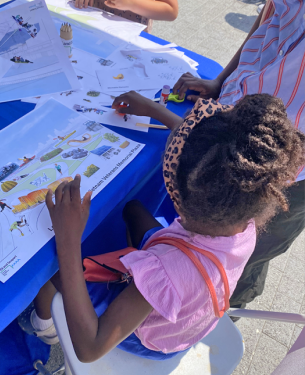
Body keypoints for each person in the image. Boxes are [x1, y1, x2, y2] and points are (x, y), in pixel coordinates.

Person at [19, 94, 305, 360]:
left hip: (152, 340)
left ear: (179, 199)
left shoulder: (168, 274)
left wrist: (68, 241)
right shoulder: (245, 216)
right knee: (133, 209)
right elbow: (202, 148)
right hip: (189, 300)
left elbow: (90, 348)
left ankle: (44, 327)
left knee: (53, 278)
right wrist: (155, 110)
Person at [113, 0, 305, 310]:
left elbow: (90, 346)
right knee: (223, 249)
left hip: (282, 165)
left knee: (244, 266)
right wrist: (222, 81)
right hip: (239, 128)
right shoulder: (223, 234)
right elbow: (269, 19)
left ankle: (222, 312)